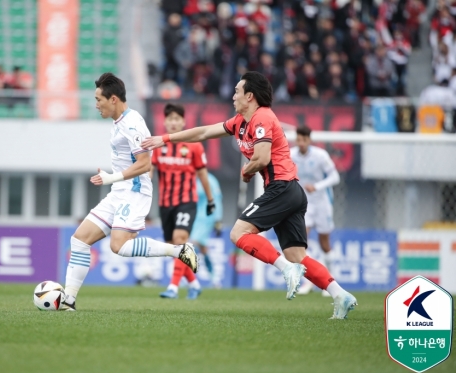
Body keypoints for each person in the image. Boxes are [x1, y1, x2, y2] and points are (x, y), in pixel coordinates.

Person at [142, 71, 357, 319]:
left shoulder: (263, 117)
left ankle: (286, 269)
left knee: (238, 233)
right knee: (297, 256)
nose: (233, 96)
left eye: (236, 91)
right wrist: (165, 139)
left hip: (282, 187)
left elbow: (263, 157)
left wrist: (247, 170)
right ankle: (340, 294)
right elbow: (202, 133)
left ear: (250, 96)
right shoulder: (239, 122)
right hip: (289, 191)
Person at [61, 73, 198, 311]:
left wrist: (111, 177)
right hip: (119, 191)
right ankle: (68, 300)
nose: (96, 105)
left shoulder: (132, 123)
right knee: (79, 240)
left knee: (119, 246)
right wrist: (114, 181)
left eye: (98, 99)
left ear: (113, 99)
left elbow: (145, 163)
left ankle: (179, 251)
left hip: (134, 192)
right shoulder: (120, 122)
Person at [151, 103, 215, 300]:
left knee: (180, 241)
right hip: (165, 204)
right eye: (169, 119)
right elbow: (150, 172)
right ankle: (194, 285)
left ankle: (173, 287)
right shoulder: (158, 146)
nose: (173, 122)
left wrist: (210, 199)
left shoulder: (194, 145)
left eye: (177, 119)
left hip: (187, 201)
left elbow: (203, 173)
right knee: (174, 248)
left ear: (183, 122)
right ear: (165, 122)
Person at [290, 126, 340, 297]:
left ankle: (330, 281)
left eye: (304, 140)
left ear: (309, 140)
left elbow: (335, 177)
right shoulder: (292, 155)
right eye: (298, 140)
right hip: (304, 204)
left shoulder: (321, 156)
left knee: (325, 243)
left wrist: (317, 186)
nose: (301, 143)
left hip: (322, 202)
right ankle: (309, 280)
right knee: (302, 241)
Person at [189, 171, 223, 287]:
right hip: (195, 218)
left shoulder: (211, 180)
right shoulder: (192, 179)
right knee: (203, 249)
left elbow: (217, 200)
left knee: (193, 244)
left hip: (208, 217)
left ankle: (187, 277)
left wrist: (218, 220)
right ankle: (214, 278)